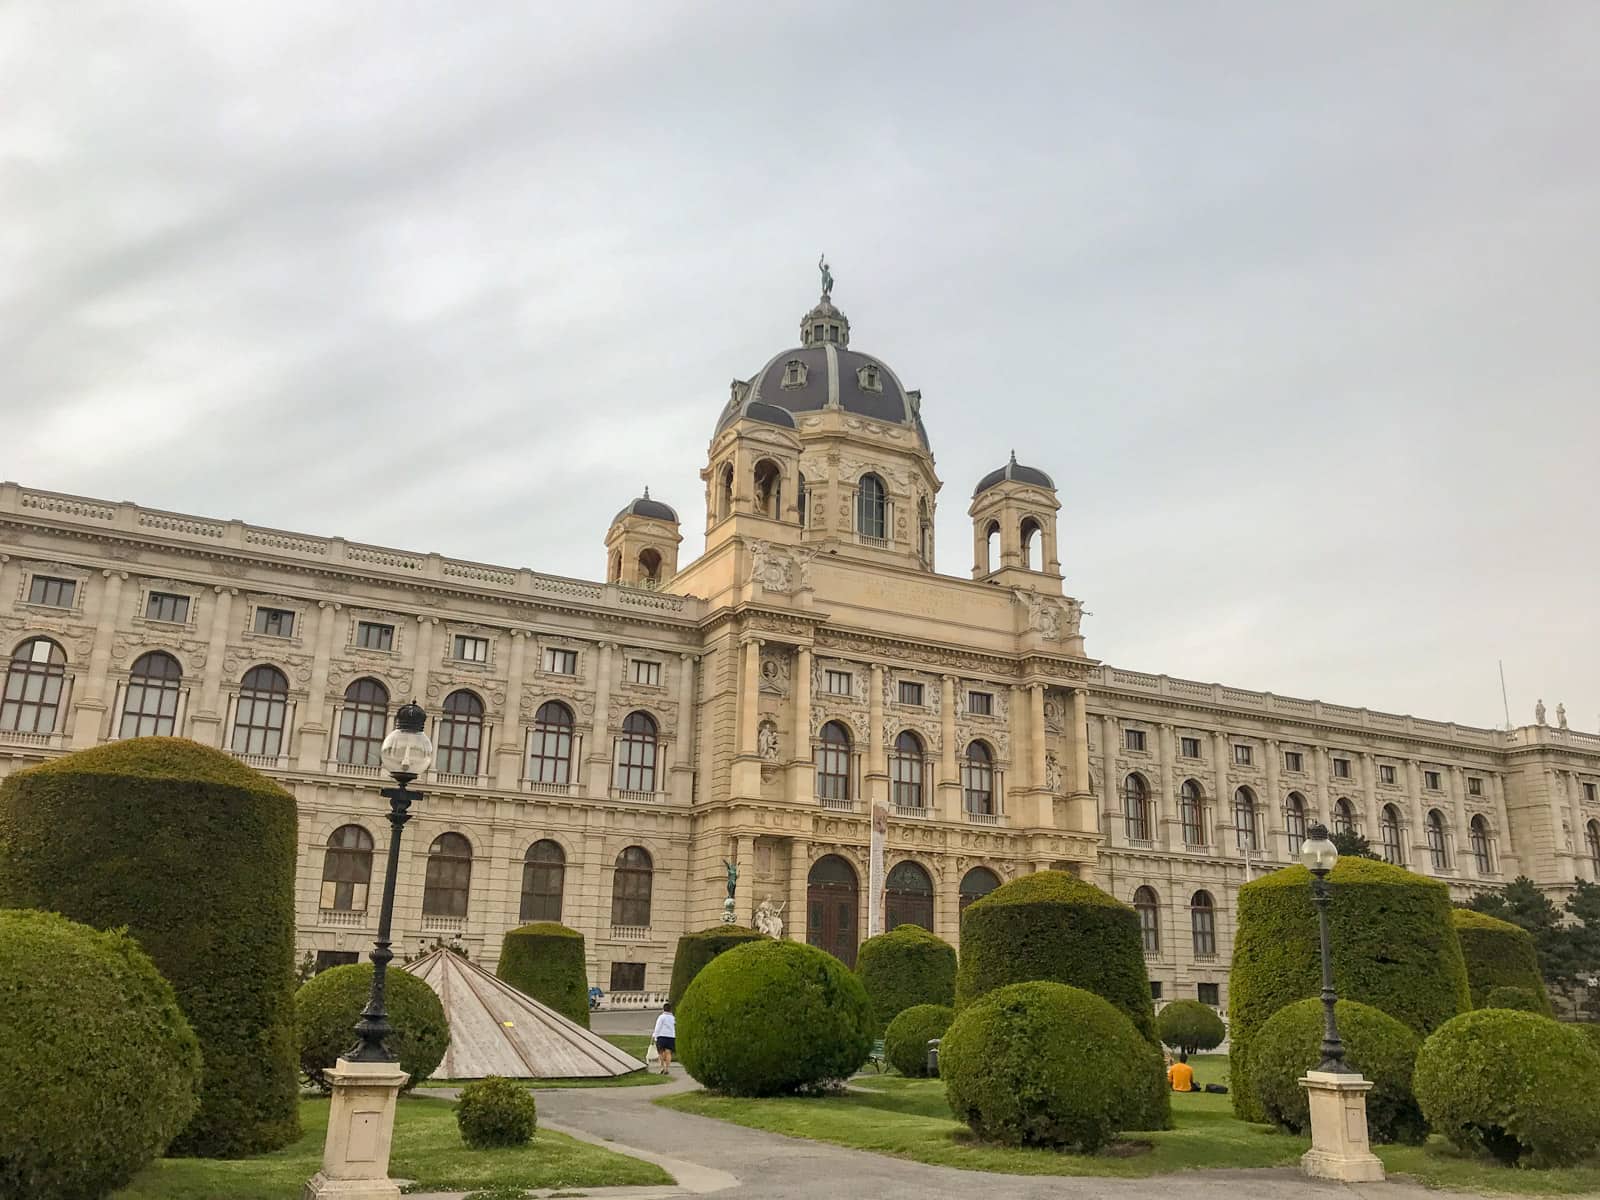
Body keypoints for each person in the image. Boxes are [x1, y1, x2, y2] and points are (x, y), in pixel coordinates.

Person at [652, 1001, 677, 1075]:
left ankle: (662, 1067)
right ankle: (667, 1068)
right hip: (671, 1036)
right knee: (668, 1053)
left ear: (663, 1009)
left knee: (661, 1053)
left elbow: (658, 1027)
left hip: (662, 1036)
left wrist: (655, 1036)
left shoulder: (661, 1017)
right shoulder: (673, 1018)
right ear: (670, 1010)